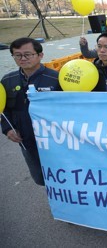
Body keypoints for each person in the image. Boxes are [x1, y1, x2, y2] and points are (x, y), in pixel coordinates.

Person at [1, 37, 61, 186]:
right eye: (17, 55)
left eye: (28, 54)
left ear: (40, 55)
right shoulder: (8, 80)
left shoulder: (55, 78)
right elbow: (4, 110)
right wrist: (7, 129)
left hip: (56, 141)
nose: (23, 59)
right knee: (40, 178)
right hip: (27, 141)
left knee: (61, 176)